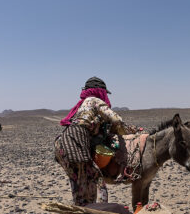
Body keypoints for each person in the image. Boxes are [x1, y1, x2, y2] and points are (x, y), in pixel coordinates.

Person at [54, 76, 138, 206]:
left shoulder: (82, 104)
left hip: (63, 143)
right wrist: (128, 131)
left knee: (80, 184)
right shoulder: (94, 100)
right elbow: (116, 119)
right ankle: (99, 213)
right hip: (76, 140)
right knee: (97, 179)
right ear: (100, 91)